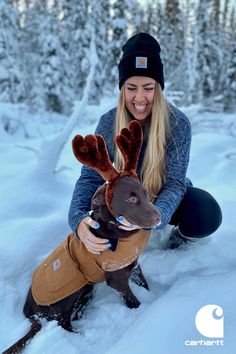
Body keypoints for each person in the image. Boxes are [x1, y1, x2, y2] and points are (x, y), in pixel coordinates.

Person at [68, 32, 222, 254]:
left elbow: (175, 183)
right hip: (123, 202)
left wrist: (155, 217)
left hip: (160, 199)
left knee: (206, 211)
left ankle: (176, 247)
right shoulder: (109, 121)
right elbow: (89, 177)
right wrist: (78, 221)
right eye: (131, 88)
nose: (140, 98)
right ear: (122, 89)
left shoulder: (177, 123)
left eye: (148, 88)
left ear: (158, 89)